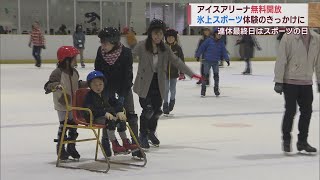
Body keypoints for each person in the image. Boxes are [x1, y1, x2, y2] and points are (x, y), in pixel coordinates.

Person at [132, 19, 202, 149]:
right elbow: (129, 56)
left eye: (160, 34)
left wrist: (192, 74)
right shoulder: (142, 46)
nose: (158, 36)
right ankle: (142, 135)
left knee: (157, 111)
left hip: (158, 84)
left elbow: (178, 62)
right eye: (155, 33)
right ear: (150, 34)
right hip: (144, 84)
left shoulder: (165, 49)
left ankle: (151, 132)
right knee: (147, 110)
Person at [94, 27, 142, 158]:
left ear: (114, 41)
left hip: (124, 88)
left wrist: (121, 97)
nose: (103, 45)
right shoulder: (101, 52)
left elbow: (128, 76)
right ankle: (105, 143)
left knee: (131, 115)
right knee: (109, 116)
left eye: (105, 42)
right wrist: (102, 91)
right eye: (101, 42)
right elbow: (98, 72)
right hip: (106, 89)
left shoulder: (126, 53)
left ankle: (135, 145)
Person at [274, 29, 320, 154]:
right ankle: (287, 140)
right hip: (290, 82)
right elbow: (281, 59)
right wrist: (278, 80)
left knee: (307, 112)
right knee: (290, 111)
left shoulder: (316, 38)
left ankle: (302, 142)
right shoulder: (289, 37)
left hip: (306, 82)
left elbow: (318, 62)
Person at [44, 46, 87, 160]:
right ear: (66, 60)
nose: (76, 60)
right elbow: (48, 85)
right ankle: (61, 147)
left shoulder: (75, 72)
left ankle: (71, 146)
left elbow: (76, 84)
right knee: (64, 124)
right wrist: (55, 86)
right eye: (74, 58)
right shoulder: (57, 72)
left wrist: (87, 84)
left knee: (73, 124)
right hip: (62, 103)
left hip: (74, 103)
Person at [83, 70, 138, 155]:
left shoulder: (106, 94)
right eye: (95, 85)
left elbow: (116, 103)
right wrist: (103, 113)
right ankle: (114, 144)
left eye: (100, 84)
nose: (98, 87)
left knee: (121, 121)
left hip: (109, 116)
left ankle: (125, 141)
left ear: (104, 84)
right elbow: (91, 109)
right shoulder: (89, 96)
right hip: (95, 117)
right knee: (111, 122)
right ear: (90, 86)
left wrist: (119, 111)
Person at [195, 28, 230, 97]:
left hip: (215, 62)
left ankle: (216, 89)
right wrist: (198, 55)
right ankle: (203, 90)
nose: (219, 36)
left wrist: (227, 59)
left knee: (216, 76)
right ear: (214, 34)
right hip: (207, 61)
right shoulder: (208, 41)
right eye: (218, 34)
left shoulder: (221, 42)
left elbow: (224, 52)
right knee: (205, 76)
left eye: (220, 34)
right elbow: (202, 47)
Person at [163, 29, 185, 115]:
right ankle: (165, 104)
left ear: (175, 38)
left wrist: (182, 71)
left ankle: (172, 101)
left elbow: (181, 60)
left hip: (174, 73)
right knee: (165, 89)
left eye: (172, 37)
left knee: (172, 89)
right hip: (164, 73)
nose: (170, 39)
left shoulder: (178, 48)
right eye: (168, 37)